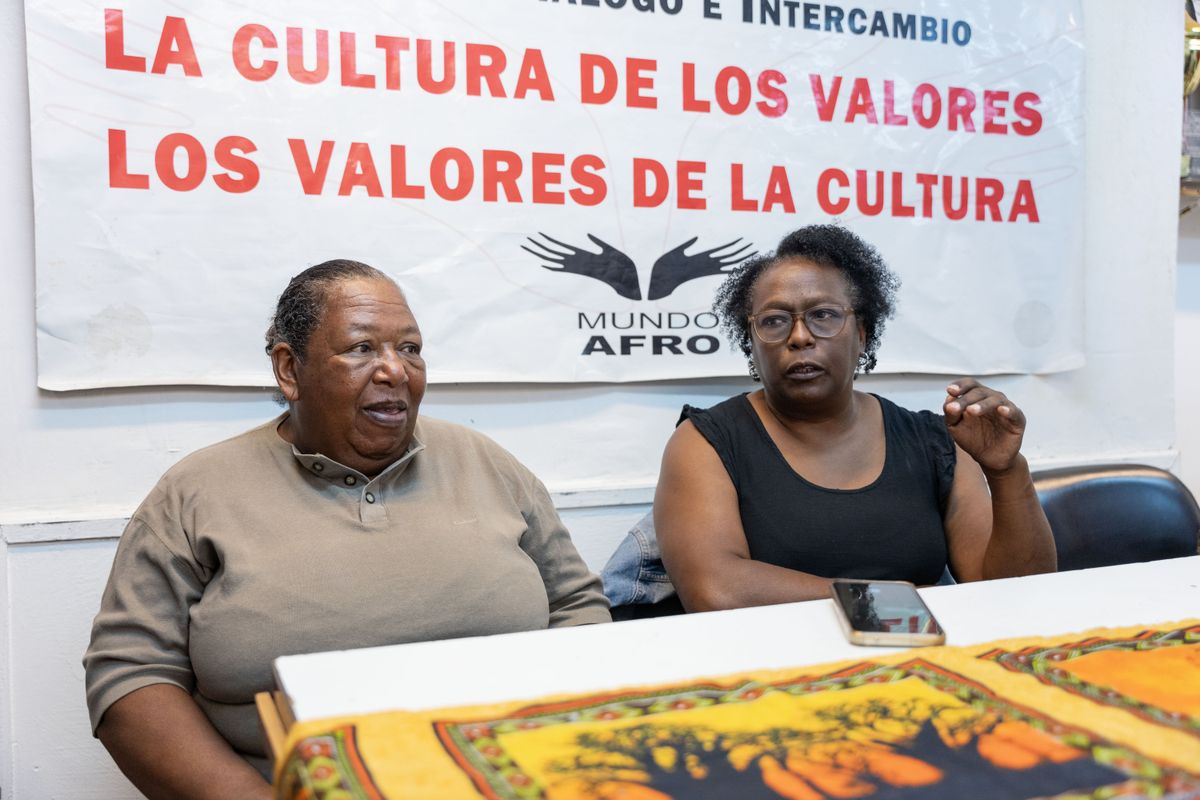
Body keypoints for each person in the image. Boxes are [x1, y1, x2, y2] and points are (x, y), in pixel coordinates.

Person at [84, 260, 610, 798]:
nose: (396, 371)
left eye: (409, 349)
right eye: (362, 349)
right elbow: (131, 676)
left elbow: (575, 605)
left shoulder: (485, 462)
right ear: (290, 370)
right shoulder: (196, 492)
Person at [654, 225, 1057, 613]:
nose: (799, 337)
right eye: (774, 320)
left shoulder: (937, 442)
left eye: (823, 315)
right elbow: (717, 591)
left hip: (923, 665)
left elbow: (1014, 591)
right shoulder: (706, 441)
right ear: (752, 344)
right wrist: (902, 600)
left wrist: (1006, 472)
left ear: (861, 333)